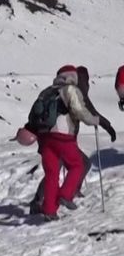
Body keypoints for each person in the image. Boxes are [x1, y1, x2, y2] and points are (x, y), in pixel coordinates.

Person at [29, 66, 116, 213]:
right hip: (62, 139)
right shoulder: (72, 90)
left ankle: (47, 206)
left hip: (45, 138)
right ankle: (65, 194)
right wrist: (104, 125)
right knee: (79, 164)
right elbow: (86, 112)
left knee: (53, 172)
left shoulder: (49, 91)